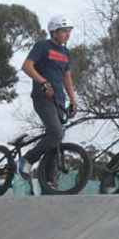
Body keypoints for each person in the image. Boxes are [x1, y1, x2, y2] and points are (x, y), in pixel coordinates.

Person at [19, 15, 78, 178]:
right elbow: (27, 66)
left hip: (59, 99)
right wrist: (43, 82)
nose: (68, 34)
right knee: (56, 133)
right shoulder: (42, 46)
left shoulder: (66, 52)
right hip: (42, 98)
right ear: (54, 32)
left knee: (56, 141)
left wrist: (73, 101)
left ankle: (49, 180)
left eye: (69, 31)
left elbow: (67, 77)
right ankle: (27, 160)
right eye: (64, 31)